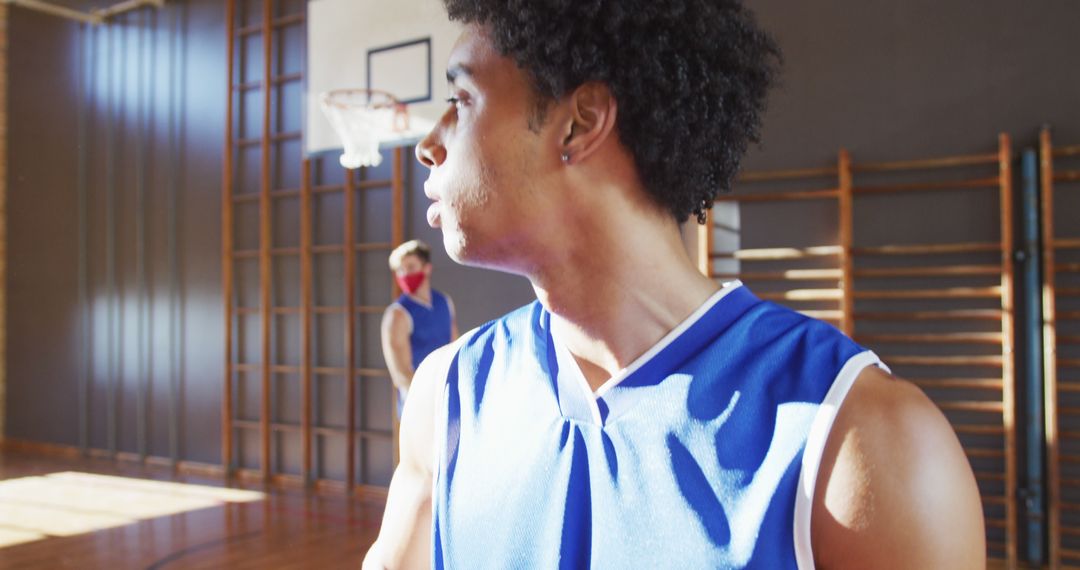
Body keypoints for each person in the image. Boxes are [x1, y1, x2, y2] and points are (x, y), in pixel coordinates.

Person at [364, 1, 986, 568]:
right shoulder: (444, 399)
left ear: (579, 124)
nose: (426, 144)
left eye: (462, 99)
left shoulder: (862, 445)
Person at [381, 239, 458, 417]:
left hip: (447, 395)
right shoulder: (398, 314)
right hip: (419, 405)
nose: (405, 273)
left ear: (427, 268)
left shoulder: (444, 302)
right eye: (400, 270)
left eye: (410, 267)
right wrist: (424, 404)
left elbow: (455, 347)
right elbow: (401, 374)